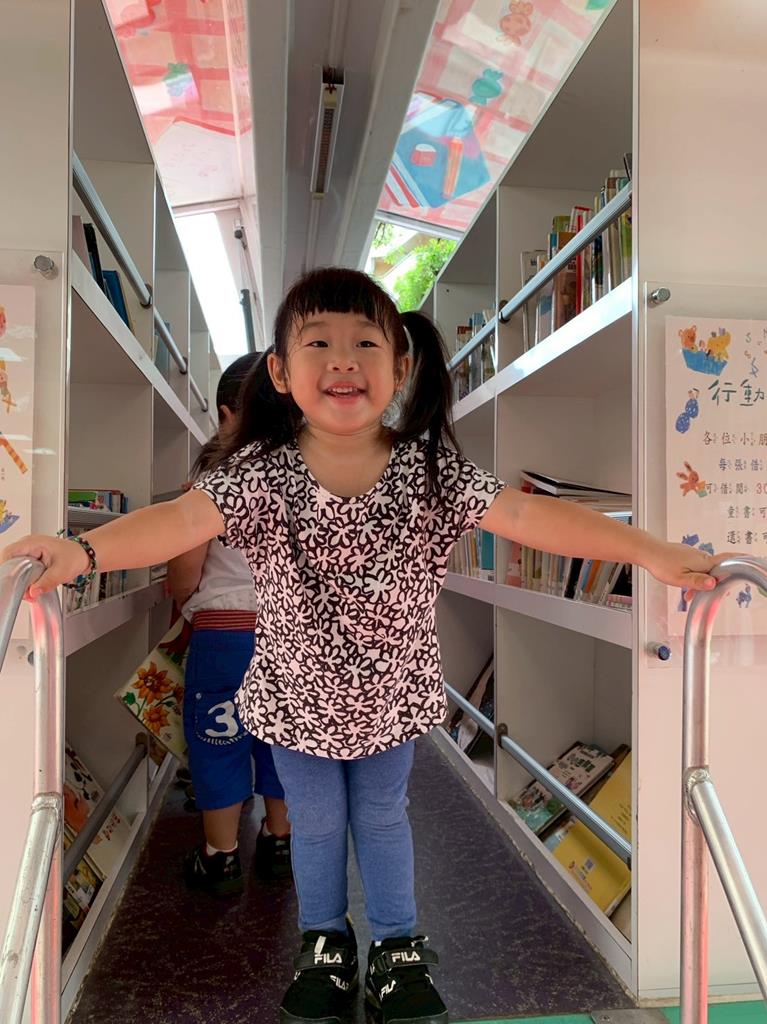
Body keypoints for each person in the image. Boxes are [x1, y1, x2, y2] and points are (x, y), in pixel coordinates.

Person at [6, 267, 723, 1024]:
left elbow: (526, 517)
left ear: (401, 366)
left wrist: (648, 551)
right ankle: (324, 941)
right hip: (295, 698)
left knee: (382, 817)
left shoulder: (430, 471)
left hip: (389, 699)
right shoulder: (257, 473)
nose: (342, 360)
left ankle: (396, 946)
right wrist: (82, 553)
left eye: (365, 343)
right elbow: (179, 523)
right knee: (314, 824)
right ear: (280, 372)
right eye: (318, 343)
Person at [167, 352, 291, 895]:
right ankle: (279, 839)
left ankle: (220, 858)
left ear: (225, 414)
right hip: (289, 635)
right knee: (283, 741)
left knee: (218, 739)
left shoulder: (211, 480)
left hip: (224, 636)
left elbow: (185, 571)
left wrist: (185, 599)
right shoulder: (307, 477)